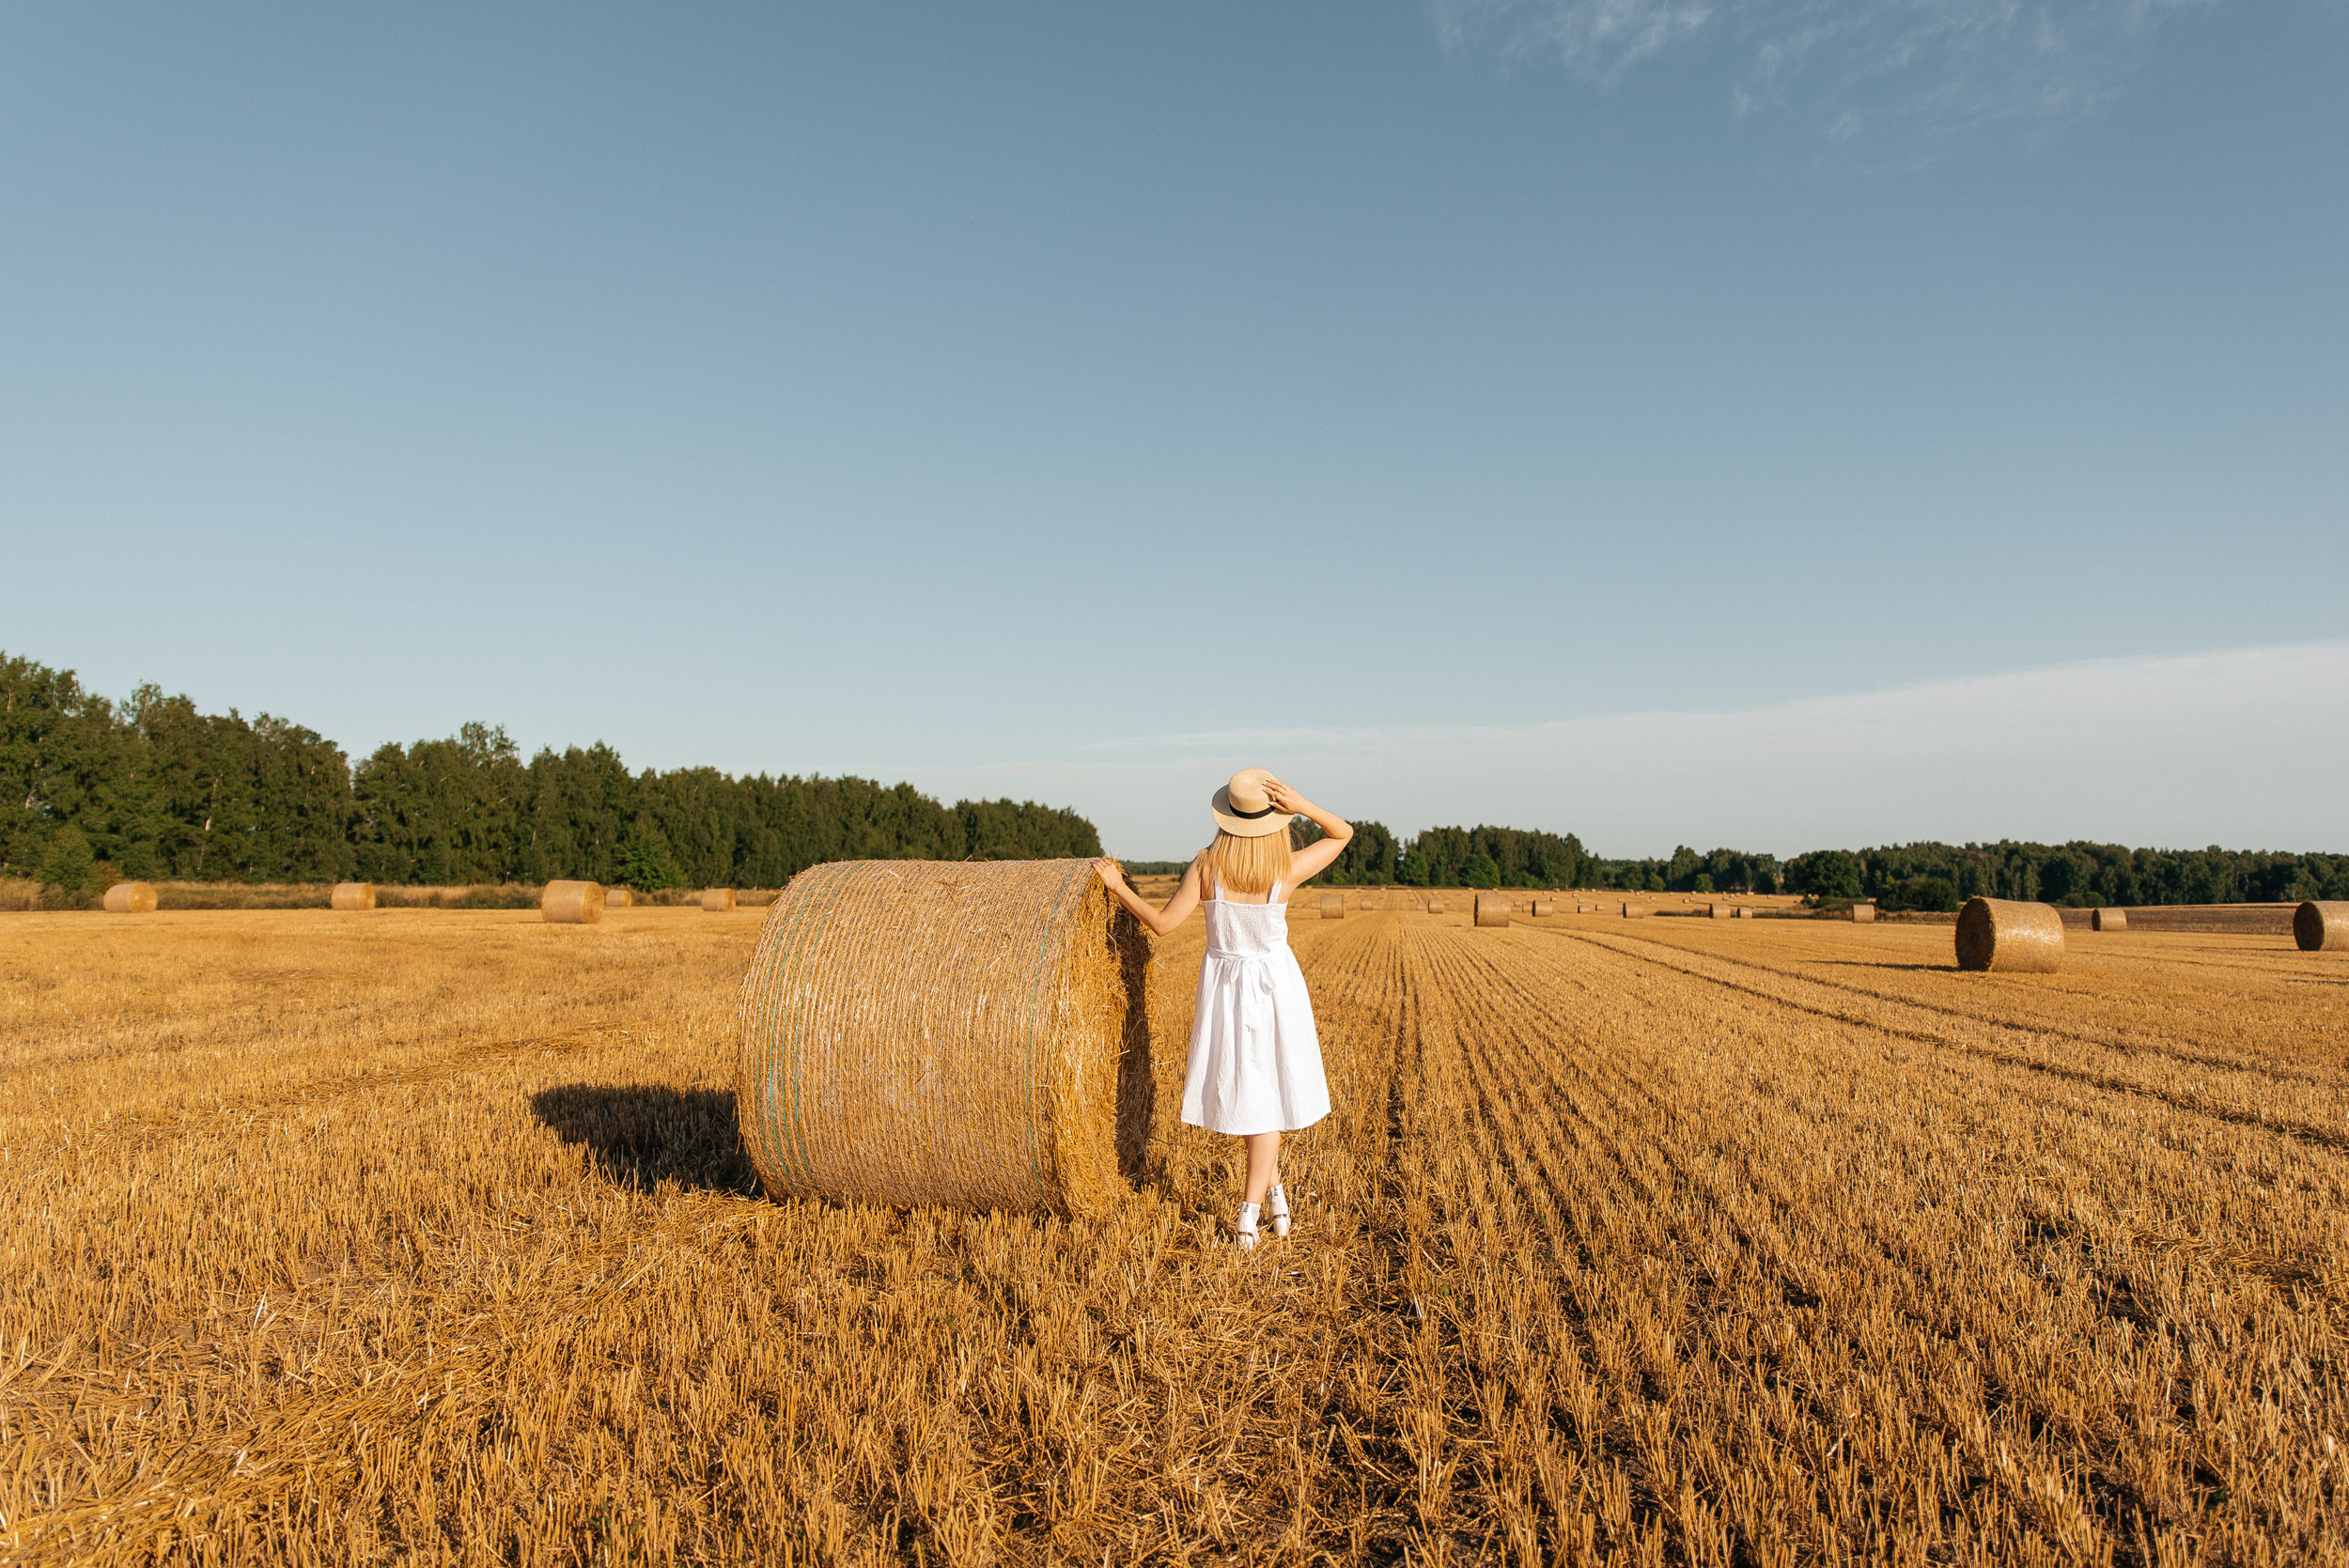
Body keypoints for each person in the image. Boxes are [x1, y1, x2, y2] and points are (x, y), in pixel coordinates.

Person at [1095, 768, 1353, 1250]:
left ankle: (1254, 1210)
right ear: (1272, 819)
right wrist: (1303, 804)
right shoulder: (1285, 870)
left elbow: (1163, 924)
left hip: (1226, 991)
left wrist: (1118, 888)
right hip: (1275, 988)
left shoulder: (1205, 867)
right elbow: (1344, 832)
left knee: (1253, 1097)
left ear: (1225, 818)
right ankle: (1265, 1202)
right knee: (1260, 1100)